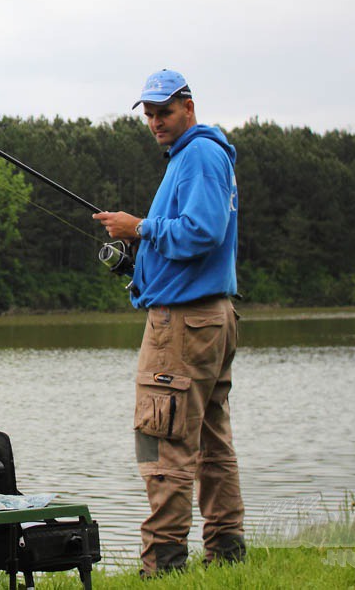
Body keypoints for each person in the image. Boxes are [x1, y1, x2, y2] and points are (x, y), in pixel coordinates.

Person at [92, 69, 245, 576]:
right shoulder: (199, 155)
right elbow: (193, 238)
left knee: (164, 438)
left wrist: (139, 228)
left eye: (165, 112)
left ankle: (163, 565)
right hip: (210, 317)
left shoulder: (200, 155)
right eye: (150, 114)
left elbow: (202, 232)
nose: (156, 122)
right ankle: (226, 553)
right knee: (210, 439)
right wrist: (141, 245)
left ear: (189, 107)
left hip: (185, 323)